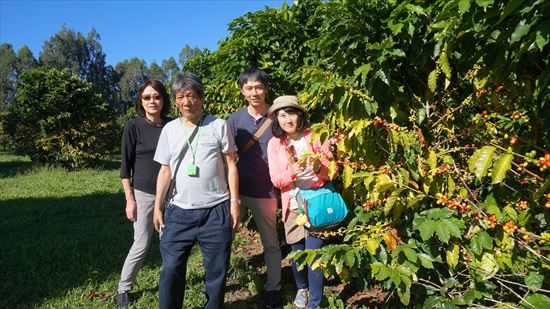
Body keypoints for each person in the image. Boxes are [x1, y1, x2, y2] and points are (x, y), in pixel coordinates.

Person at [152, 71, 240, 309]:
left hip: (216, 210)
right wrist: (157, 207)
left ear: (201, 98)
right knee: (171, 269)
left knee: (217, 272)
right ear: (175, 100)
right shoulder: (169, 129)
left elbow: (231, 165)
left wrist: (234, 203)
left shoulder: (218, 125)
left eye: (191, 95)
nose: (186, 102)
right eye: (180, 96)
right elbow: (164, 171)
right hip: (179, 212)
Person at [267, 96, 333, 309]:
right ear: (277, 119)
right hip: (293, 207)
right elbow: (277, 180)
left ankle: (315, 302)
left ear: (300, 115)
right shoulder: (275, 144)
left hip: (316, 203)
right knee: (297, 255)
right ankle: (301, 288)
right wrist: (292, 173)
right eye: (282, 115)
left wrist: (318, 168)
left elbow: (333, 172)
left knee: (314, 256)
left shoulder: (315, 136)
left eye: (292, 113)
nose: (288, 120)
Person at [227, 68, 282, 308]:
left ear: (266, 88)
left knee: (270, 243)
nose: (254, 92)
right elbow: (226, 156)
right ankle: (221, 281)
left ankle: (274, 287)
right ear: (242, 91)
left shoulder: (277, 116)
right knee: (224, 237)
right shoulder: (234, 120)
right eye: (248, 88)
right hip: (238, 190)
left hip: (266, 190)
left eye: (258, 87)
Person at [116, 80, 172, 308]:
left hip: (171, 194)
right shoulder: (133, 126)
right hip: (143, 194)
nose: (152, 101)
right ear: (141, 101)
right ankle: (124, 288)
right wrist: (130, 199)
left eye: (156, 97)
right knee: (141, 243)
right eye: (147, 97)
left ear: (163, 99)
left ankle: (170, 285)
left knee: (169, 242)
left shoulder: (172, 125)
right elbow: (124, 168)